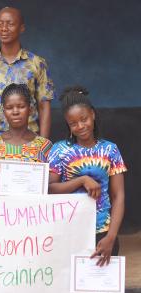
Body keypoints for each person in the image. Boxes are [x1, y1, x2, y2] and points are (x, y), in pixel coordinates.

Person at [48, 86, 126, 266]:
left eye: (83, 119)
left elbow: (118, 196)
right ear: (68, 125)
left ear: (92, 114)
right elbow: (50, 189)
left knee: (103, 288)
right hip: (69, 230)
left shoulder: (110, 150)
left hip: (103, 232)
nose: (80, 126)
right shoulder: (59, 150)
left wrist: (111, 236)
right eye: (73, 123)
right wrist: (81, 180)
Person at [0, 6, 54, 159]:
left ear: (21, 28)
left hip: (28, 144)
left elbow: (44, 106)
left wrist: (43, 144)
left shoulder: (36, 63)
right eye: (0, 24)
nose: (4, 28)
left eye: (10, 24)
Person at [0, 83, 52, 184]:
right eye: (9, 108)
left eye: (21, 106)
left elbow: (50, 183)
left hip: (33, 200)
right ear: (4, 112)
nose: (15, 111)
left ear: (30, 110)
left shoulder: (45, 146)